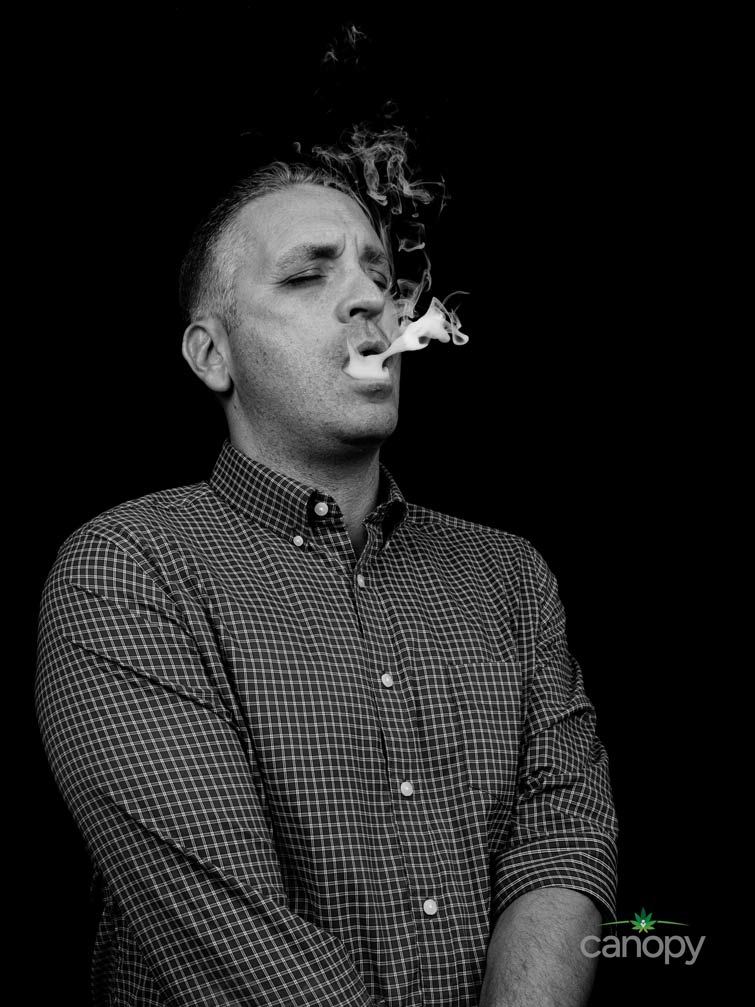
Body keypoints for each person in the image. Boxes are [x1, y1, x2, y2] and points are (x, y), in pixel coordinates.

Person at [36, 139, 618, 1006]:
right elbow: (235, 940)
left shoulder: (509, 575)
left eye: (378, 276)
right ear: (211, 355)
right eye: (308, 276)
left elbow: (561, 841)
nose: (370, 300)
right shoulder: (129, 569)